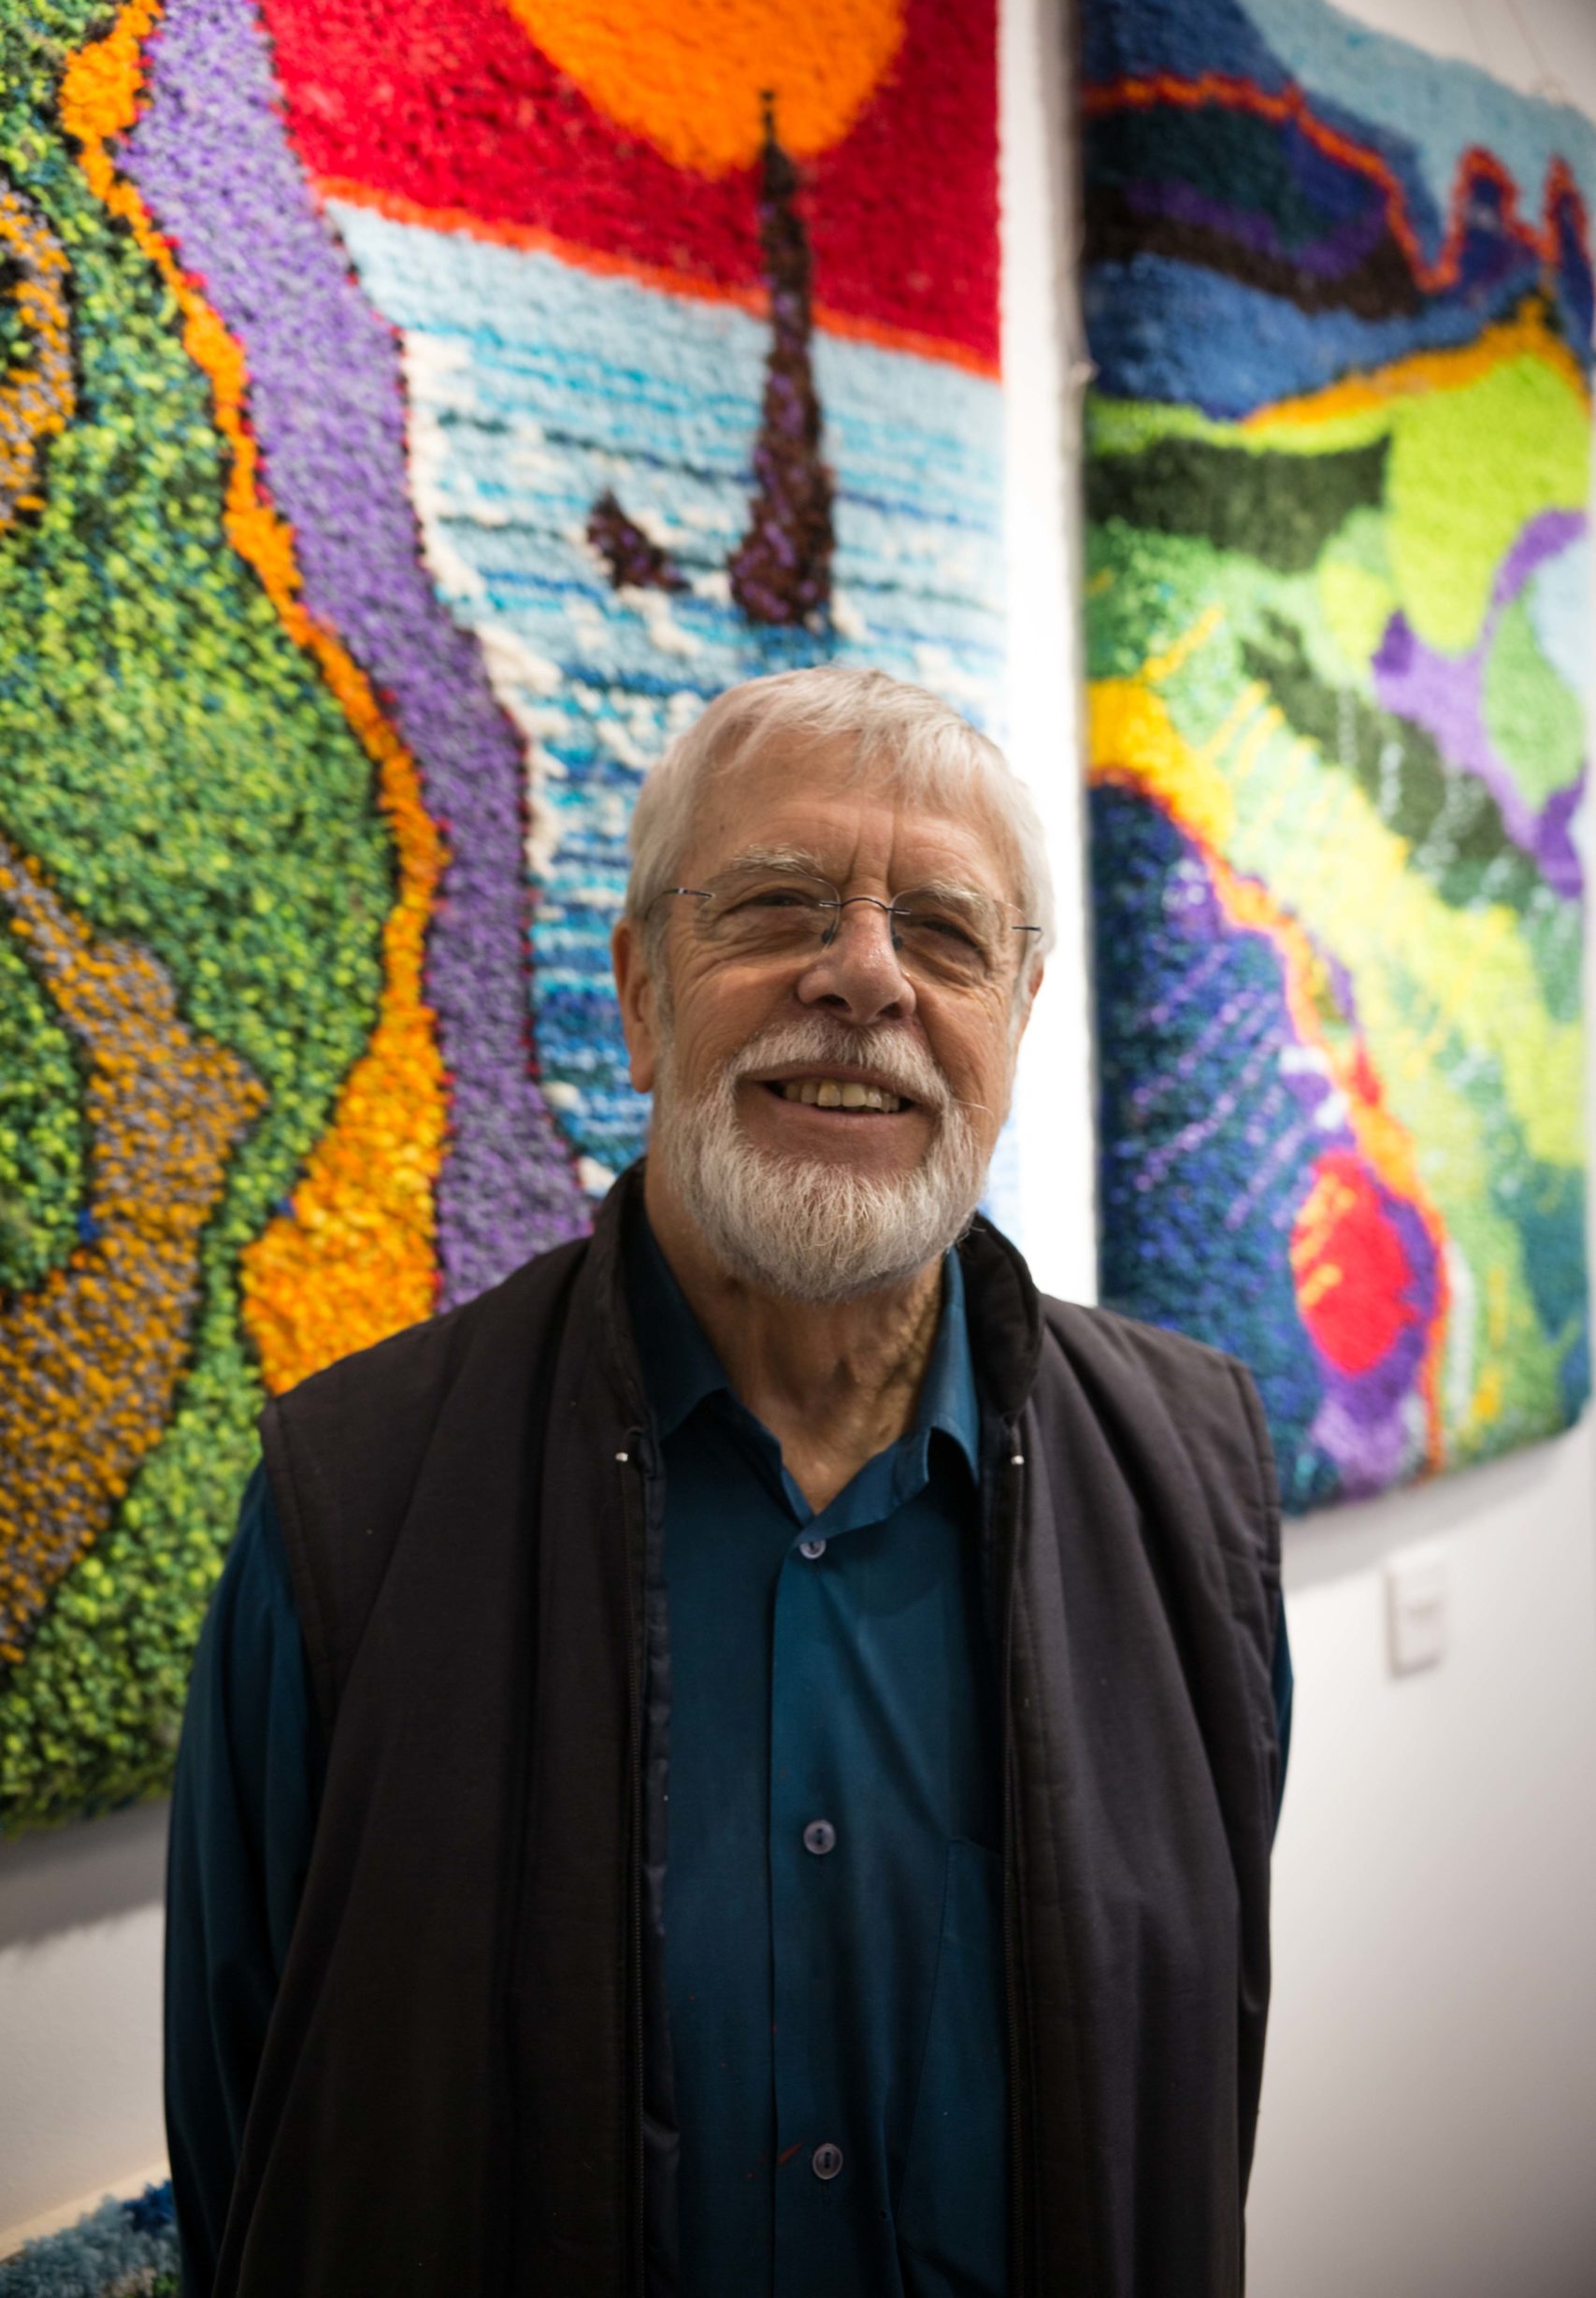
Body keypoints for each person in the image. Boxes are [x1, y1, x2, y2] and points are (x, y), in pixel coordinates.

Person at [165, 667, 1290, 2298]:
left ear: (1018, 1022)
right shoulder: (351, 1509)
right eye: (776, 905)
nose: (864, 980)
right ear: (638, 990)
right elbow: (249, 2164)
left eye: (948, 936)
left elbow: (1188, 2110)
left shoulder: (1198, 1493)